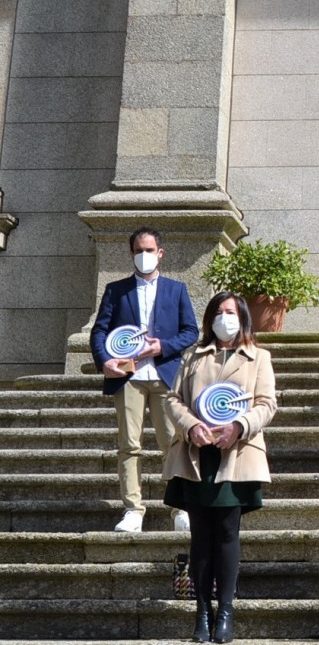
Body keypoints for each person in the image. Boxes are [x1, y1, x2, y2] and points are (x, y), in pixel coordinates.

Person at [162, 292, 277, 644]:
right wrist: (190, 426)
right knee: (200, 536)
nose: (224, 318)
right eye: (219, 312)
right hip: (197, 455)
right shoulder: (193, 357)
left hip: (237, 455)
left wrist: (239, 426)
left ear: (242, 317)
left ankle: (225, 610)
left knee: (227, 533)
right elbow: (173, 398)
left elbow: (267, 403)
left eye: (231, 312)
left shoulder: (258, 357)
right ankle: (201, 611)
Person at [89, 227, 199, 534]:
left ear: (160, 253)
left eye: (149, 250)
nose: (144, 255)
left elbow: (191, 331)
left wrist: (162, 346)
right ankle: (133, 509)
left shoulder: (176, 290)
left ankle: (180, 508)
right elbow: (99, 331)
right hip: (128, 376)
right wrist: (104, 360)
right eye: (139, 250)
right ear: (131, 253)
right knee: (129, 445)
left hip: (165, 376)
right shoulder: (116, 290)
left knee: (174, 443)